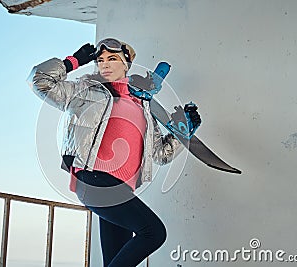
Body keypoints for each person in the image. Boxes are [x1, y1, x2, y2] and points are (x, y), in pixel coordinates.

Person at [29, 38, 201, 266]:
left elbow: (161, 154)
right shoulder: (85, 92)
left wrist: (183, 131)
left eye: (112, 59)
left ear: (126, 64)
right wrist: (73, 61)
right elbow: (40, 81)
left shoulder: (144, 107)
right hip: (94, 181)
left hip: (120, 190)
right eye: (100, 60)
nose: (105, 65)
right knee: (154, 233)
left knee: (115, 260)